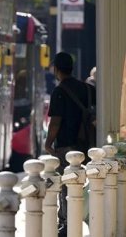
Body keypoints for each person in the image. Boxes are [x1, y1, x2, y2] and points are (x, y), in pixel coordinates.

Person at [43, 52, 96, 236]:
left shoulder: (59, 91)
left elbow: (55, 122)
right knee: (91, 183)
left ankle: (67, 223)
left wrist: (48, 143)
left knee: (66, 185)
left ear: (56, 69)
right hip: (87, 145)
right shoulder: (88, 89)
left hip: (66, 147)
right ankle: (90, 217)